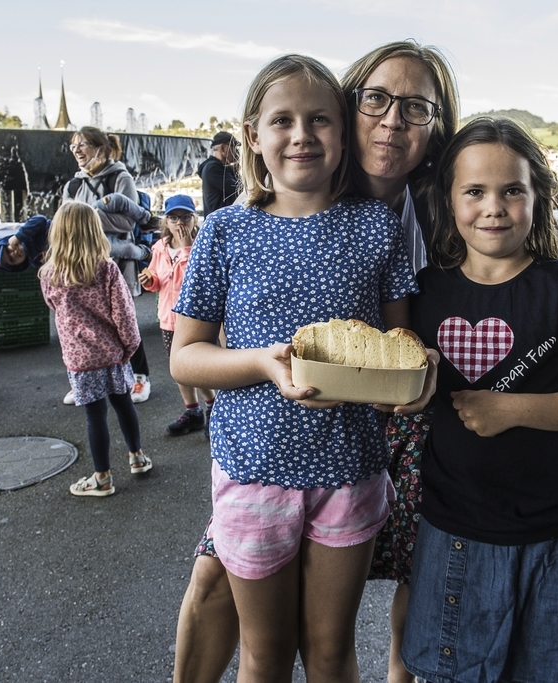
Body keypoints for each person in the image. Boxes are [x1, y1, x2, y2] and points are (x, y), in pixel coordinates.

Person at [170, 40, 460, 683]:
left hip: (351, 469)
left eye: (318, 119)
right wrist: (263, 365)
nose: (302, 135)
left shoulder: (381, 224)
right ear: (251, 136)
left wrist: (415, 379)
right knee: (261, 648)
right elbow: (185, 356)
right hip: (254, 467)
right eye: (282, 121)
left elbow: (398, 347)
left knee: (331, 651)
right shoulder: (225, 229)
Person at [400, 116, 558, 683]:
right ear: (449, 200)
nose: (494, 207)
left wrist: (510, 409)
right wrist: (408, 388)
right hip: (454, 526)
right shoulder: (426, 292)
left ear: (538, 198)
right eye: (475, 191)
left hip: (556, 526)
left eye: (513, 190)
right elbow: (407, 391)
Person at [39, 202, 151, 497]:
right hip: (112, 353)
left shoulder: (49, 274)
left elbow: (54, 307)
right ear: (94, 231)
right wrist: (129, 347)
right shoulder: (107, 270)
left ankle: (102, 477)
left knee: (94, 415)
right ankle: (137, 457)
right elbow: (124, 315)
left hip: (79, 359)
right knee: (123, 404)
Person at [62, 127, 151, 404]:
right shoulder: (73, 186)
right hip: (82, 265)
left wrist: (86, 219)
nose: (77, 150)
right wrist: (97, 218)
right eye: (73, 145)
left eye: (83, 144)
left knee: (124, 320)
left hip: (118, 262)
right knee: (88, 322)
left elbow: (128, 222)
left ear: (100, 148)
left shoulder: (119, 177)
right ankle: (91, 377)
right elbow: (64, 224)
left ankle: (140, 377)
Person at [138, 194, 215, 437]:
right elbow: (157, 279)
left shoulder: (201, 245)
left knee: (194, 366)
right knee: (177, 368)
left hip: (192, 318)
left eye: (185, 217)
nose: (179, 223)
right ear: (166, 221)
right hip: (167, 318)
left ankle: (212, 405)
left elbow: (195, 280)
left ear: (194, 220)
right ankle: (192, 410)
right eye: (173, 218)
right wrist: (149, 281)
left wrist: (185, 249)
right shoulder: (159, 248)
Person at [197, 131, 241, 215]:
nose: (236, 151)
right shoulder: (213, 168)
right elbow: (238, 189)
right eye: (233, 147)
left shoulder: (216, 167)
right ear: (223, 148)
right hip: (220, 224)